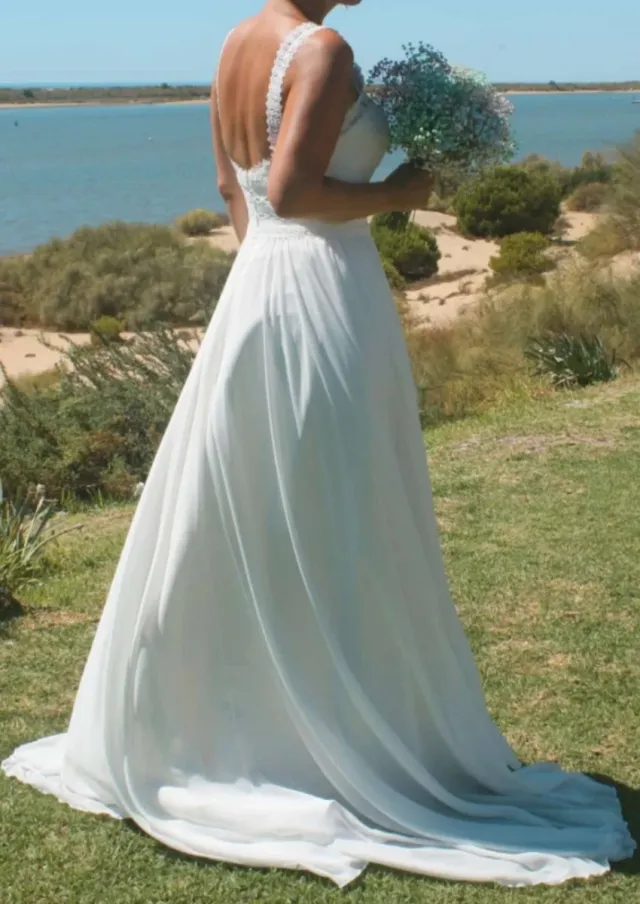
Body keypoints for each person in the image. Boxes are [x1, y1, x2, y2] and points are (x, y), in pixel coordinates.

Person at [2, 0, 633, 889]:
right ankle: (326, 726)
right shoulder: (325, 49)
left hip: (259, 285)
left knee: (251, 504)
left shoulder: (233, 44)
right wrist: (401, 195)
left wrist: (268, 274)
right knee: (340, 503)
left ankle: (242, 716)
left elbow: (238, 191)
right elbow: (297, 190)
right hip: (322, 285)